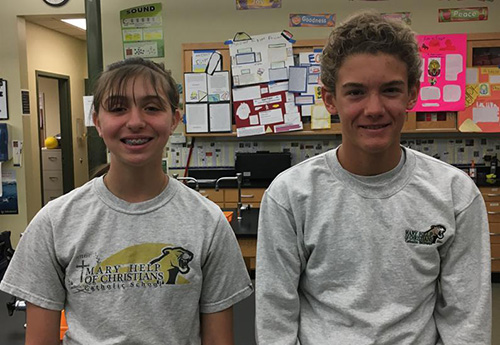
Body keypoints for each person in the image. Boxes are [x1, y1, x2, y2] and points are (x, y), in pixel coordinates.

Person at [255, 11, 491, 345]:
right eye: (355, 92)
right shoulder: (290, 195)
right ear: (329, 99)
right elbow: (275, 318)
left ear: (412, 95)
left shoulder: (455, 195)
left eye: (391, 90)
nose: (374, 108)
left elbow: (467, 322)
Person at [0, 57, 253, 344]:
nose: (135, 122)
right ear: (97, 119)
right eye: (118, 108)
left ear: (174, 119)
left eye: (152, 108)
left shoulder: (207, 222)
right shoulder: (55, 222)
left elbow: (219, 340)